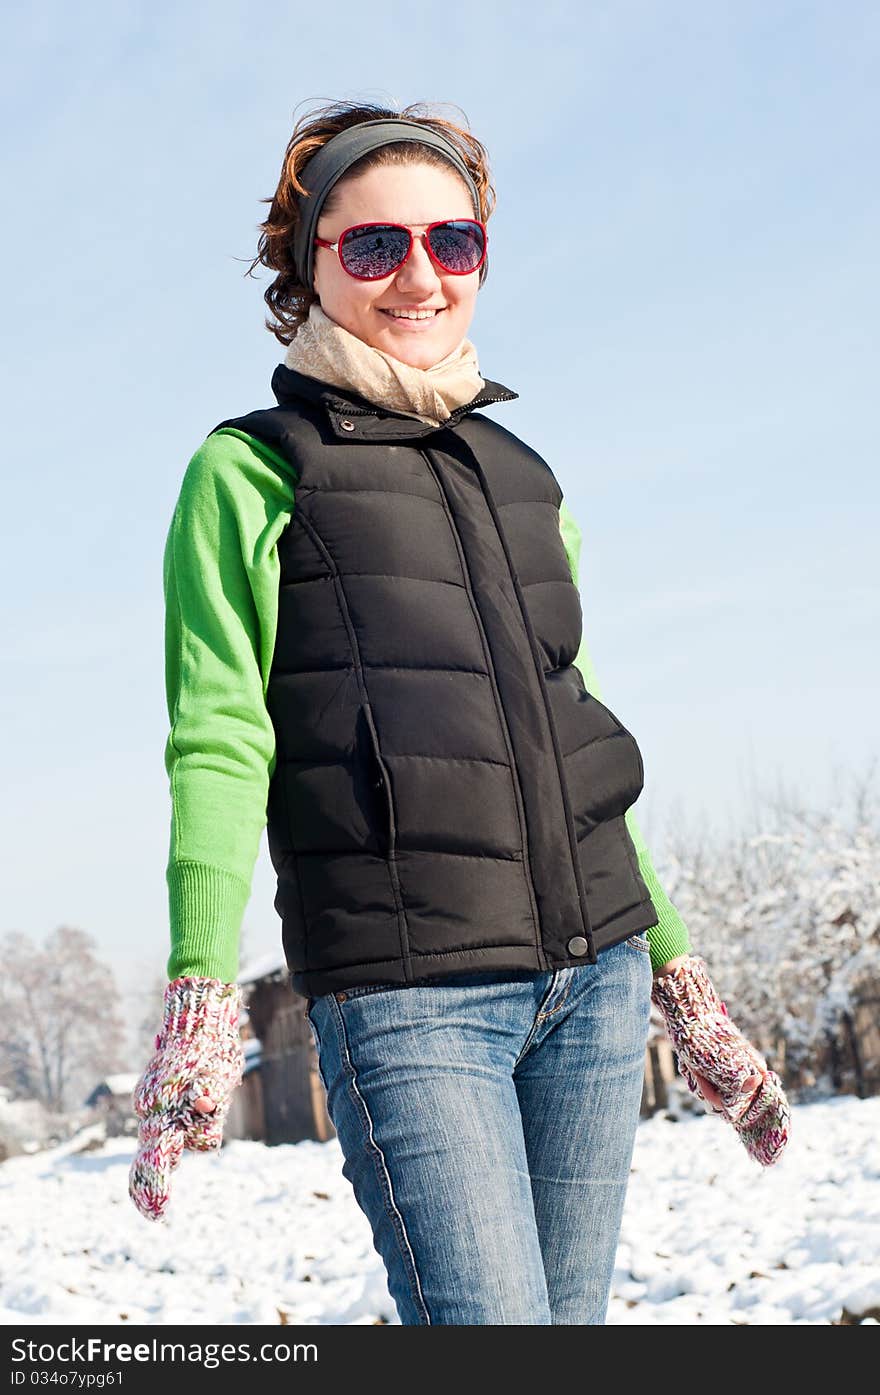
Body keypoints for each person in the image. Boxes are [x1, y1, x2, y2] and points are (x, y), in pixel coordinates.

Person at [129, 101, 790, 1325]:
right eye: (374, 246)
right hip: (409, 996)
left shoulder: (525, 477)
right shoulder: (250, 469)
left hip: (593, 991)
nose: (419, 275)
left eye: (454, 242)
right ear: (308, 266)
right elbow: (218, 737)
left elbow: (573, 728)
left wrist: (682, 980)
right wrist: (202, 987)